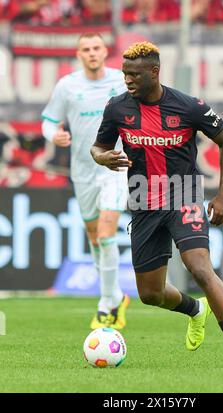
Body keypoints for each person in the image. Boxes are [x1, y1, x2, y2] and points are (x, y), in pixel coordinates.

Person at [90, 41, 223, 368]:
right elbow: (98, 147)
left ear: (154, 72)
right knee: (150, 294)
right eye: (124, 74)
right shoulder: (117, 108)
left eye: (134, 74)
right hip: (142, 198)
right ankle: (195, 310)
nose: (127, 80)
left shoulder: (188, 106)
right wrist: (102, 158)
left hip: (184, 194)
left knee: (199, 267)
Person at [42, 33, 130, 330]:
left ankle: (107, 303)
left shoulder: (121, 82)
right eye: (85, 49)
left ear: (106, 51)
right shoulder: (68, 86)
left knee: (106, 234)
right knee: (94, 238)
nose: (91, 53)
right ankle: (115, 294)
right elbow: (49, 120)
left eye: (96, 48)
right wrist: (52, 134)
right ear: (78, 54)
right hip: (82, 172)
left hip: (114, 167)